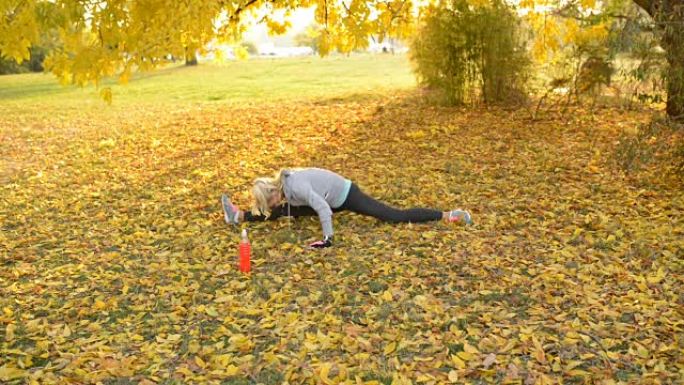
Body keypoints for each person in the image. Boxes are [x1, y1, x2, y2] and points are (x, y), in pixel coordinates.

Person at [221, 168, 472, 248]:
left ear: (274, 192)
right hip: (327, 196)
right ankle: (238, 215)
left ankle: (449, 215)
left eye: (269, 202)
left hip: (345, 195)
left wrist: (328, 238)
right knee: (279, 213)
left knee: (393, 216)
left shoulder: (294, 187)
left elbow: (321, 207)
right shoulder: (284, 189)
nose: (271, 206)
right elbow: (294, 206)